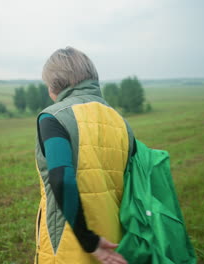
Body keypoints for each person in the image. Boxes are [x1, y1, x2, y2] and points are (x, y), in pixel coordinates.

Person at [34, 47, 135, 264]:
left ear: (55, 84)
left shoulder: (54, 118)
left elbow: (61, 179)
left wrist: (89, 240)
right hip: (115, 244)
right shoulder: (121, 122)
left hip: (70, 245)